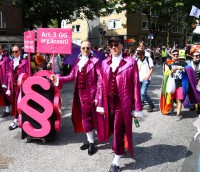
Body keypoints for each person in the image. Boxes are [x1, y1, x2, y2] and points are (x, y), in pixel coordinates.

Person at [96, 37, 143, 172]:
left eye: (116, 45)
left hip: (123, 102)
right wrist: (100, 103)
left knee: (117, 129)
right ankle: (120, 146)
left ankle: (116, 161)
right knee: (112, 127)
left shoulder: (131, 62)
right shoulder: (104, 63)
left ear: (122, 45)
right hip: (108, 101)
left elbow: (135, 85)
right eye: (110, 45)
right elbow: (100, 84)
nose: (113, 48)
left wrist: (137, 107)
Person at [51, 40, 104, 156]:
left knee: (86, 118)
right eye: (84, 48)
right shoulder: (76, 62)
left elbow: (101, 80)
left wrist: (97, 97)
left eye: (88, 48)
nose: (85, 50)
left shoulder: (96, 62)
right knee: (84, 118)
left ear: (91, 50)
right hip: (79, 95)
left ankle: (91, 142)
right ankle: (90, 139)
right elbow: (70, 76)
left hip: (90, 95)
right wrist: (57, 79)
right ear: (80, 49)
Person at [6, 45, 29, 130]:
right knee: (15, 103)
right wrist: (8, 87)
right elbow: (8, 75)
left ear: (20, 52)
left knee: (23, 102)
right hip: (14, 87)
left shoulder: (25, 62)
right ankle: (16, 119)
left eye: (16, 51)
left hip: (23, 87)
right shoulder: (10, 63)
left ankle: (24, 119)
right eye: (13, 52)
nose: (14, 53)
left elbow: (28, 74)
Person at [189, 50, 200, 115]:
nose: (198, 56)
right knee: (192, 94)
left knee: (199, 94)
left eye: (199, 55)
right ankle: (193, 105)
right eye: (196, 56)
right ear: (192, 57)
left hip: (199, 82)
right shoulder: (189, 64)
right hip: (192, 82)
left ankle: (199, 107)